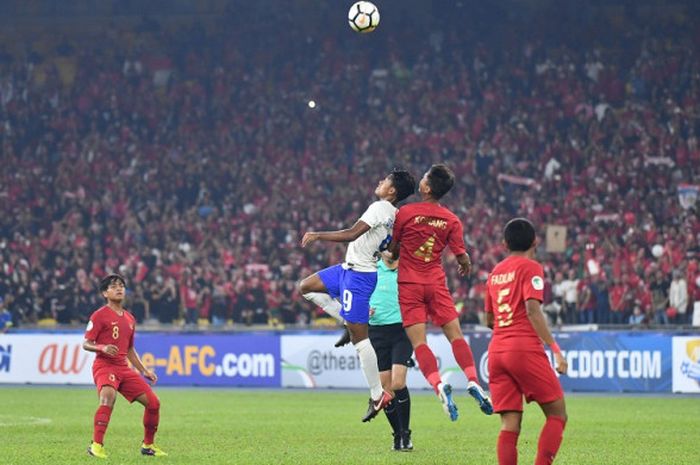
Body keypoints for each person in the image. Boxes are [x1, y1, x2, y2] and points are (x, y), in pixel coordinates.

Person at [299, 168, 416, 422]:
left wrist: (318, 235)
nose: (380, 181)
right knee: (306, 287)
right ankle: (346, 318)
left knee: (360, 339)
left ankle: (377, 395)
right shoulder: (394, 216)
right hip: (348, 269)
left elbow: (352, 234)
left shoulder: (379, 208)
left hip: (359, 277)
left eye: (384, 180)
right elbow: (392, 251)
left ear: (392, 191)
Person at [387, 163, 493, 421]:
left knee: (419, 342)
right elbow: (462, 256)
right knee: (456, 336)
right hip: (436, 283)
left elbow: (394, 249)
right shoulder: (451, 219)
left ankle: (438, 385)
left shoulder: (405, 213)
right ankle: (472, 380)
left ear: (426, 187)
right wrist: (464, 264)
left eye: (423, 178)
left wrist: (390, 254)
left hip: (410, 285)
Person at [485, 218, 568, 465]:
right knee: (557, 414)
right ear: (535, 242)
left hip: (497, 351)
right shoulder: (532, 268)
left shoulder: (495, 272)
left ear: (504, 243)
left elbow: (490, 318)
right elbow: (533, 310)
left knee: (510, 424)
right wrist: (555, 349)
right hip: (523, 348)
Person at [83, 274, 167, 459]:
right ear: (105, 293)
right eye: (114, 286)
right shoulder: (99, 315)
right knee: (108, 398)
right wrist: (102, 347)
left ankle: (148, 445)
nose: (119, 288)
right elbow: (86, 343)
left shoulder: (129, 318)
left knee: (153, 403)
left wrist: (144, 370)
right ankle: (96, 446)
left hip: (123, 368)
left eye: (121, 285)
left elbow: (129, 349)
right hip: (104, 366)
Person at [367, 255, 414, 451]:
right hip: (377, 332)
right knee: (386, 390)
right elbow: (359, 293)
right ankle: (397, 435)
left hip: (402, 330)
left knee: (398, 382)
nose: (390, 251)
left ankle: (405, 433)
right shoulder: (371, 269)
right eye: (386, 247)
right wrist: (363, 308)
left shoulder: (408, 268)